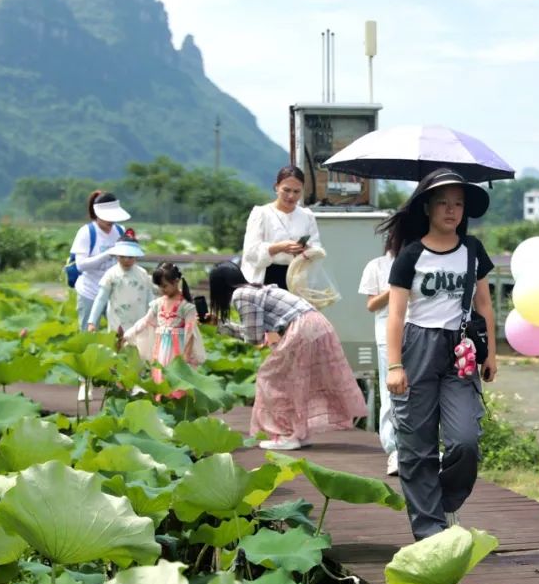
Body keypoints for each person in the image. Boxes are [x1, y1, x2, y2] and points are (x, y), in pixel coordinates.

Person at [381, 168, 497, 540]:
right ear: (428, 208)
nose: (451, 211)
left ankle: (440, 501)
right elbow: (396, 314)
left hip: (459, 351)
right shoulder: (411, 255)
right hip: (417, 348)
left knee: (464, 439)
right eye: (444, 203)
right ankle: (430, 529)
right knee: (417, 447)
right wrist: (395, 365)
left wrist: (491, 354)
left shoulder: (473, 250)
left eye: (458, 204)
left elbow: (485, 305)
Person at [209, 261, 367, 450]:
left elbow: (254, 338)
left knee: (272, 378)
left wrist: (223, 328)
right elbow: (267, 330)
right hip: (316, 324)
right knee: (298, 381)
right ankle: (300, 434)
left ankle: (286, 435)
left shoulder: (241, 295)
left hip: (302, 328)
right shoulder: (257, 289)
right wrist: (221, 325)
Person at [69, 191, 131, 400]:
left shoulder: (120, 230)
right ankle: (84, 383)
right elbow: (81, 265)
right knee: (88, 336)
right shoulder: (87, 232)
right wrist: (107, 253)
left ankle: (119, 380)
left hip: (114, 292)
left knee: (119, 335)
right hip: (90, 291)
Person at [122, 263, 206, 391]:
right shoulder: (158, 303)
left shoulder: (186, 305)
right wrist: (128, 335)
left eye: (165, 286)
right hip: (160, 348)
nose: (162, 290)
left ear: (176, 281)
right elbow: (145, 321)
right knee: (160, 379)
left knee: (177, 382)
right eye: (160, 286)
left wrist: (186, 356)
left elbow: (190, 332)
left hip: (178, 349)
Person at [240, 165, 325, 288]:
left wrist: (306, 248)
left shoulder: (307, 215)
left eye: (296, 191)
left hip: (296, 278)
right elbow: (250, 252)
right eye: (286, 190)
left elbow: (317, 249)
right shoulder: (261, 213)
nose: (291, 196)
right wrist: (278, 247)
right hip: (266, 277)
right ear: (277, 187)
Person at [359, 245, 399, 476]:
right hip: (387, 336)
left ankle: (423, 449)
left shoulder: (425, 259)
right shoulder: (377, 265)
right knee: (391, 392)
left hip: (418, 333)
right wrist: (396, 287)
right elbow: (371, 304)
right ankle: (394, 449)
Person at [86, 234, 153, 334]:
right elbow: (101, 299)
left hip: (140, 322)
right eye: (122, 257)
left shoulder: (143, 274)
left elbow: (150, 297)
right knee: (118, 346)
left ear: (136, 257)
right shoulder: (111, 274)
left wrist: (153, 317)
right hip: (117, 322)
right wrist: (92, 321)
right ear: (117, 256)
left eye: (130, 257)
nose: (126, 260)